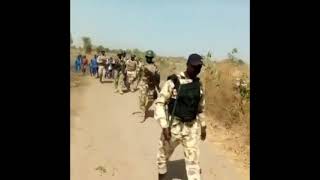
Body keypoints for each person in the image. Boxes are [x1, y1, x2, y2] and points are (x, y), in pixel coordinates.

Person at [154, 53, 206, 180]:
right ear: (187, 65)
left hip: (191, 129)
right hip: (173, 127)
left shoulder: (198, 85)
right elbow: (160, 103)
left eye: (199, 67)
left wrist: (203, 126)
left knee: (193, 163)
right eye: (194, 67)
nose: (197, 70)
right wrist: (164, 125)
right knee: (162, 158)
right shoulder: (173, 82)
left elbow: (200, 108)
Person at [139, 50, 160, 122]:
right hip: (143, 84)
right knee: (142, 99)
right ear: (146, 57)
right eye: (148, 57)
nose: (149, 58)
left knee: (151, 100)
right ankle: (142, 113)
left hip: (151, 85)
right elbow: (139, 73)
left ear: (152, 58)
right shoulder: (142, 65)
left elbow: (158, 77)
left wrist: (157, 86)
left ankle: (145, 109)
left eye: (150, 57)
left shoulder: (155, 66)